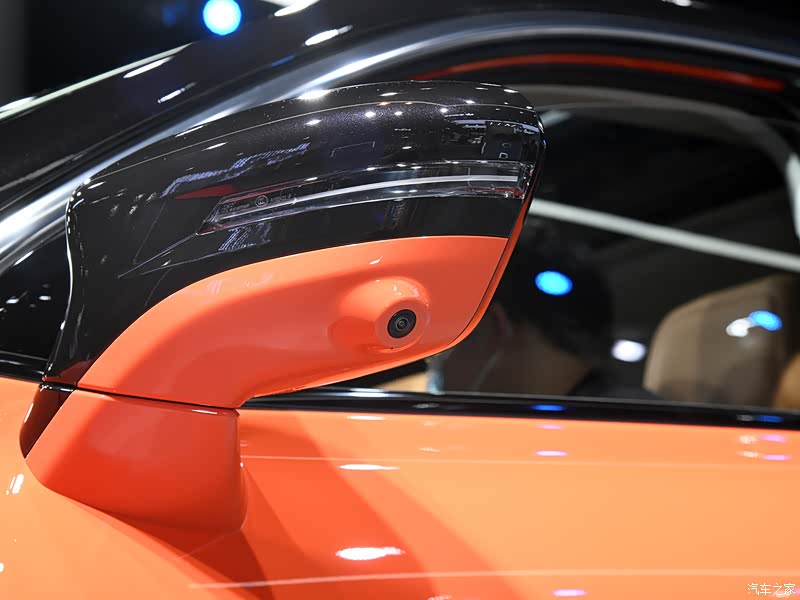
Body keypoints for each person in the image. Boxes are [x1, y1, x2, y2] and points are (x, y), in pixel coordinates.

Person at [384, 219, 639, 398]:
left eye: (447, 344)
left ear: (495, 326)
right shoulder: (622, 419)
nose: (436, 365)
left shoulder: (595, 438)